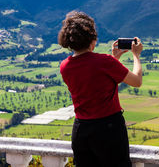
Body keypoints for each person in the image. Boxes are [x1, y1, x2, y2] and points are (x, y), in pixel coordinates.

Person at [58, 11, 143, 167]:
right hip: (108, 129)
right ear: (92, 40)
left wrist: (115, 59)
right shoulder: (104, 62)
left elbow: (94, 85)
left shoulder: (65, 66)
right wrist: (136, 55)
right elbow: (136, 81)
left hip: (81, 131)